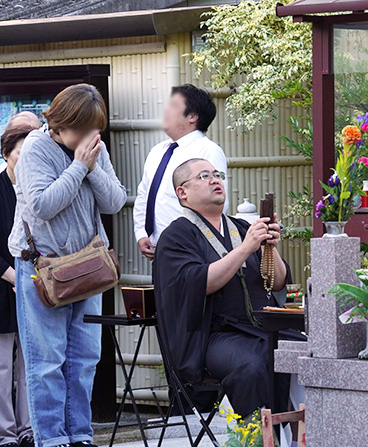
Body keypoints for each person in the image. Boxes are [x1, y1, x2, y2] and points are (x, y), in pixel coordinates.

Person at [8, 84, 126, 447]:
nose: (93, 136)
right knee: (47, 362)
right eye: (85, 128)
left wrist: (90, 166)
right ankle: (53, 440)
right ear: (60, 124)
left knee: (85, 358)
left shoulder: (93, 147)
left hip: (87, 266)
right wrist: (79, 167)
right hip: (42, 268)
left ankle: (79, 435)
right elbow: (42, 205)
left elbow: (115, 201)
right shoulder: (35, 149)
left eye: (97, 129)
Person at [153, 158, 303, 417]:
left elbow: (277, 282)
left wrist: (269, 247)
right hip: (212, 337)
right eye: (203, 176)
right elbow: (201, 283)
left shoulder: (241, 227)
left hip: (259, 328)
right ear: (182, 192)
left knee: (308, 351)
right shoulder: (176, 236)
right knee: (254, 364)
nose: (214, 180)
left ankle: (303, 434)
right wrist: (246, 248)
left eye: (217, 174)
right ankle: (259, 438)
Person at [133, 84, 228, 261]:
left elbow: (218, 202)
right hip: (159, 249)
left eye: (174, 105)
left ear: (192, 116)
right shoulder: (157, 151)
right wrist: (141, 233)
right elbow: (143, 196)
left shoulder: (208, 151)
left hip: (192, 250)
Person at [0, 119, 39, 447]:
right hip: (2, 285)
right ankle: (5, 433)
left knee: (32, 363)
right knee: (1, 366)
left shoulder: (35, 187)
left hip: (36, 285)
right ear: (7, 153)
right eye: (20, 152)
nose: (26, 159)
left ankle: (29, 430)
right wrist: (13, 275)